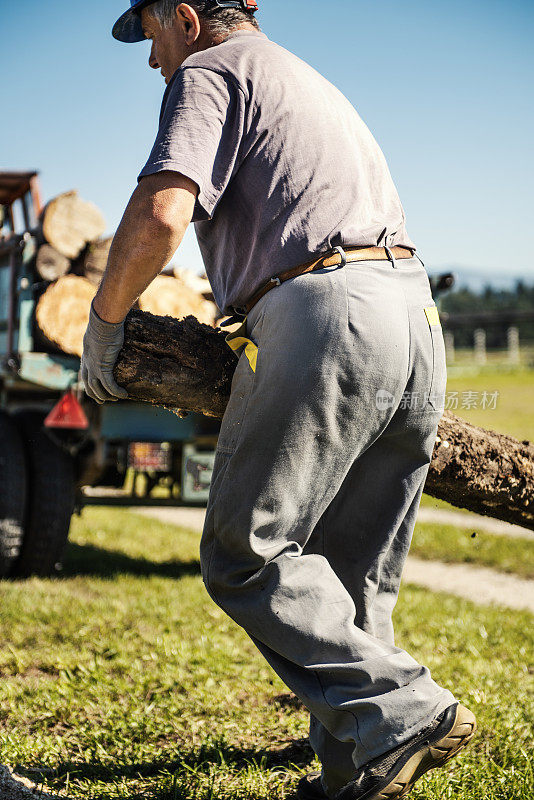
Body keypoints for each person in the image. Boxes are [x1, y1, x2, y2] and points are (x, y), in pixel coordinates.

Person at [81, 2, 477, 798]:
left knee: (244, 553)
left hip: (326, 310)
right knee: (353, 575)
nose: (152, 59)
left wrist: (102, 325)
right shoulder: (306, 79)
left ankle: (405, 710)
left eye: (152, 36)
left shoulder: (209, 70)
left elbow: (164, 210)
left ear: (184, 19)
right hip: (414, 312)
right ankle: (352, 773)